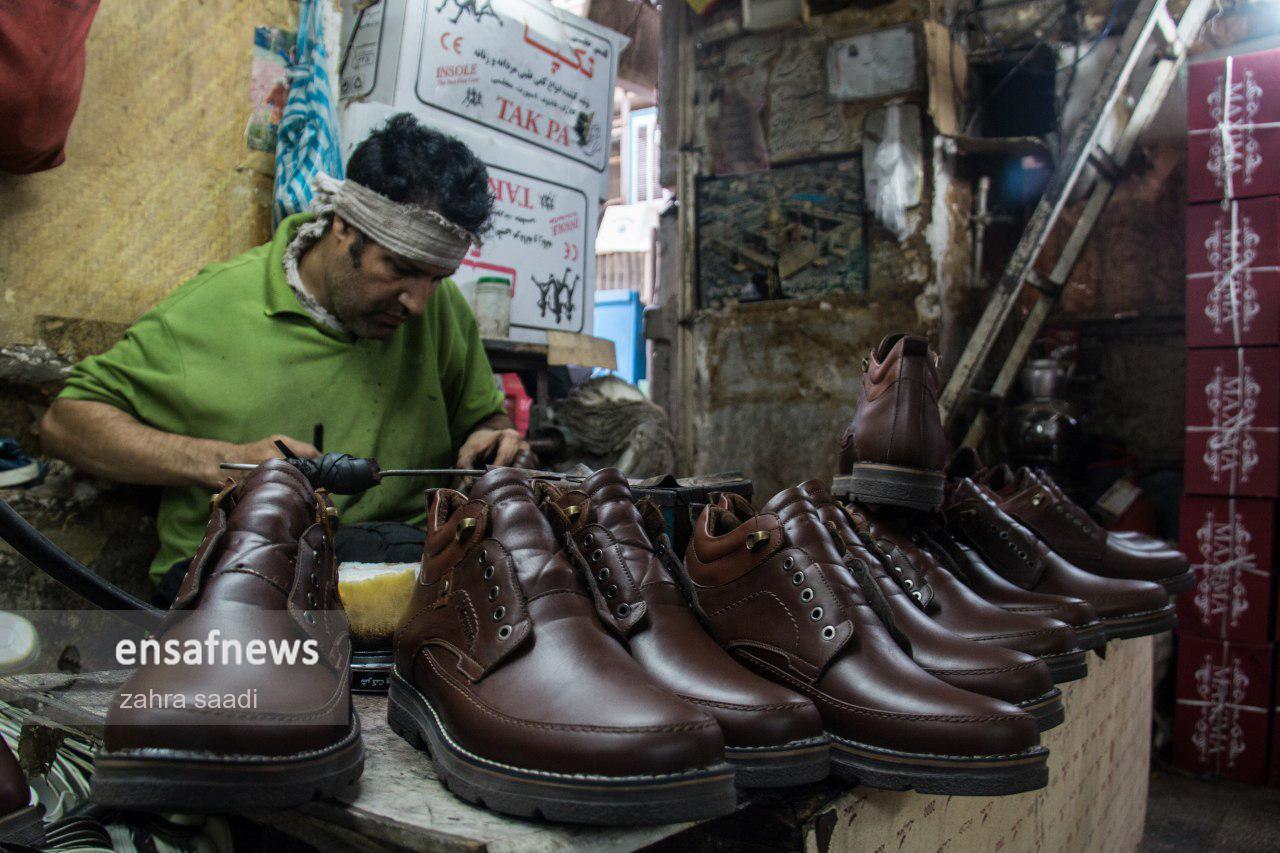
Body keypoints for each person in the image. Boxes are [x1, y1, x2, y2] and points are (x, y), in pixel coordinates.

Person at [41, 113, 529, 599]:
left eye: (437, 278)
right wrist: (228, 463)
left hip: (398, 567)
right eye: (399, 268)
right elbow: (66, 423)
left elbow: (483, 416)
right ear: (344, 226)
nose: (418, 303)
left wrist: (491, 436)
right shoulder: (212, 308)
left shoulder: (442, 310)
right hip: (239, 573)